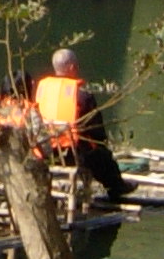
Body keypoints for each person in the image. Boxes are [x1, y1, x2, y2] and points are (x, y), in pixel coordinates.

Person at [30, 48, 130, 201]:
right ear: (71, 67)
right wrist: (102, 143)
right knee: (101, 154)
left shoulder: (41, 89)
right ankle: (116, 188)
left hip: (44, 150)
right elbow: (97, 129)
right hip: (71, 153)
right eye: (76, 65)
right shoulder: (82, 95)